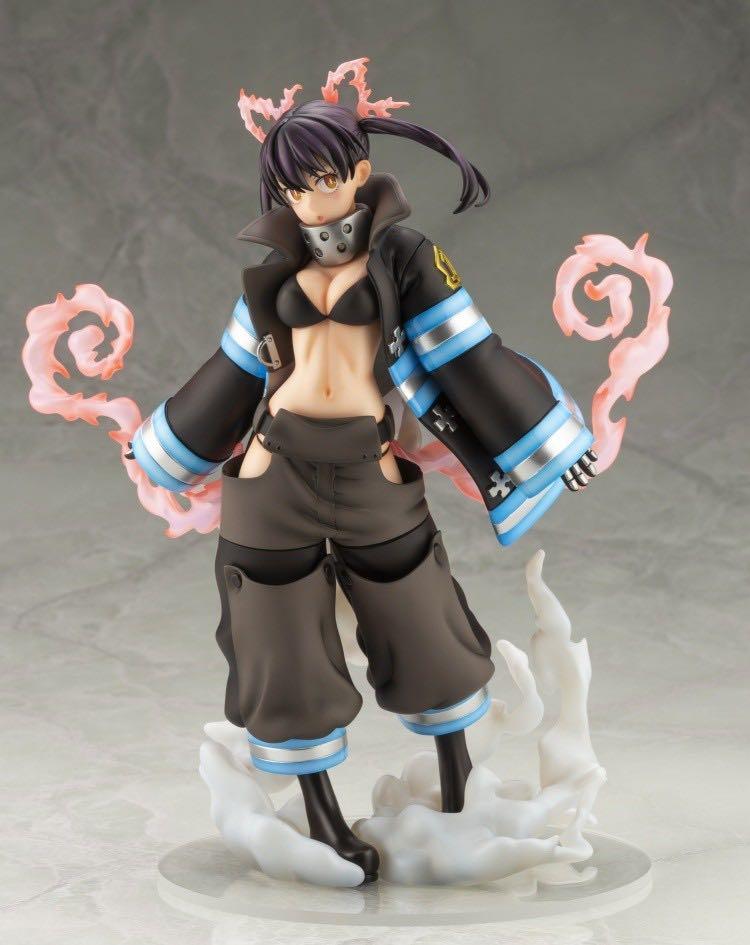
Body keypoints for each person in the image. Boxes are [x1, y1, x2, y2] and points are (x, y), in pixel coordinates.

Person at [130, 64, 597, 884]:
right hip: (274, 472)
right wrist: (164, 445)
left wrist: (552, 442)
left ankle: (461, 791)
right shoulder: (272, 270)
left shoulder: (406, 256)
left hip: (370, 468)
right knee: (279, 641)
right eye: (296, 185)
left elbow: (470, 351)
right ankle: (322, 819)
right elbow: (232, 371)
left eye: (327, 176)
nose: (314, 198)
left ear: (359, 168)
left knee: (425, 621)